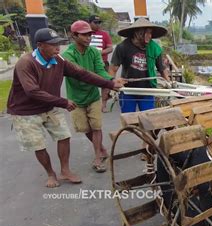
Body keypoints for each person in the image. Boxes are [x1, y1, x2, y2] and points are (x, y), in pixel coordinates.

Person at [6, 28, 124, 188]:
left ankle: (65, 170)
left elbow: (82, 73)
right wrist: (62, 101)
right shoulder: (26, 63)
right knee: (38, 144)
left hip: (49, 105)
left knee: (64, 136)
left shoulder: (58, 60)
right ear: (40, 45)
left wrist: (110, 84)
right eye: (53, 44)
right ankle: (50, 174)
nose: (57, 48)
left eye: (59, 44)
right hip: (25, 111)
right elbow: (32, 91)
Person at [62, 20, 125, 173]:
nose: (88, 37)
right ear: (74, 36)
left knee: (96, 126)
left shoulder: (94, 52)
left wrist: (111, 79)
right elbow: (81, 75)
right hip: (76, 98)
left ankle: (97, 157)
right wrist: (109, 83)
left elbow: (100, 71)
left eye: (90, 34)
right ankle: (101, 148)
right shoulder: (67, 55)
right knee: (85, 128)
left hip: (92, 96)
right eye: (84, 35)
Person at [109, 18, 171, 114]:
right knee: (128, 119)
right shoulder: (123, 47)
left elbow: (162, 69)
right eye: (145, 33)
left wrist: (169, 83)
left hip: (147, 90)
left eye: (150, 33)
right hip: (128, 90)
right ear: (136, 33)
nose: (149, 36)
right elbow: (113, 69)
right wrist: (112, 84)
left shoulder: (154, 48)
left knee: (148, 119)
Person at [88, 15, 114, 113]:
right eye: (95, 22)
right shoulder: (85, 34)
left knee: (105, 83)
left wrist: (99, 53)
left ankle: (103, 104)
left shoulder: (104, 34)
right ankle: (91, 105)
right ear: (89, 23)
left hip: (102, 62)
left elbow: (110, 48)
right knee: (89, 83)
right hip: (88, 63)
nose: (98, 25)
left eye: (99, 22)